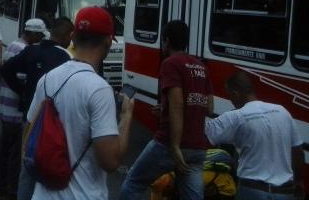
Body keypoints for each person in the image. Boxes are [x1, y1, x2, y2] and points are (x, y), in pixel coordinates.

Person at [27, 6, 133, 200]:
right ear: (109, 41)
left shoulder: (47, 79)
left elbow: (29, 141)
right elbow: (110, 162)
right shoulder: (99, 89)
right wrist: (126, 116)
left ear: (73, 38)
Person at [120, 20, 214, 200]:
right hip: (198, 148)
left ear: (166, 40)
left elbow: (177, 104)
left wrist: (175, 146)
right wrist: (165, 108)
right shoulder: (201, 67)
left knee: (133, 183)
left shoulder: (170, 63)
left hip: (168, 144)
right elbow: (208, 108)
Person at [205, 71, 304, 200]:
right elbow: (298, 152)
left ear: (234, 94)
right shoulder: (282, 111)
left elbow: (204, 136)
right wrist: (299, 181)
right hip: (284, 192)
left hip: (252, 191)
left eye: (230, 97)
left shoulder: (236, 116)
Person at [1, 18, 71, 200]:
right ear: (66, 36)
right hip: (54, 121)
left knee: (28, 162)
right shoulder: (65, 57)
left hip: (30, 117)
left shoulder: (31, 51)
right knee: (50, 162)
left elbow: (6, 69)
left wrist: (22, 91)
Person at [0, 22, 35, 199]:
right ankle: (11, 189)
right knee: (15, 153)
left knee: (3, 149)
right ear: (32, 34)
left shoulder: (12, 44)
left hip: (4, 107)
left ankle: (1, 184)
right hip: (15, 111)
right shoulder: (23, 50)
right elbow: (21, 79)